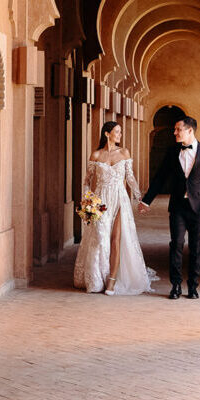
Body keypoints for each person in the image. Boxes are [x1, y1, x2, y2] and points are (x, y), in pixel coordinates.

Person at [139, 116, 200, 300]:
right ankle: (175, 285)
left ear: (190, 130)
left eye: (178, 129)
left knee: (196, 247)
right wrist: (146, 200)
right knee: (176, 245)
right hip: (178, 206)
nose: (174, 132)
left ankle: (193, 286)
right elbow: (160, 177)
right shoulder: (172, 151)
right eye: (175, 130)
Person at [73, 121, 156, 295]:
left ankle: (111, 281)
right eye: (116, 132)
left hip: (120, 199)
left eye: (120, 132)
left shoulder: (124, 152)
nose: (119, 135)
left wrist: (139, 197)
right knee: (101, 239)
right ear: (107, 134)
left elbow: (130, 177)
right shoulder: (96, 155)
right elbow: (87, 182)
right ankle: (97, 279)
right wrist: (88, 202)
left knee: (116, 239)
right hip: (100, 201)